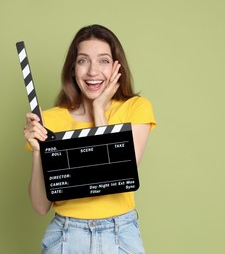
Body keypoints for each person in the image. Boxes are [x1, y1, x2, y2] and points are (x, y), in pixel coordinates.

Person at [23, 24, 156, 253]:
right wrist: (38, 151)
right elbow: (41, 206)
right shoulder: (48, 120)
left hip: (120, 234)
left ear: (117, 67)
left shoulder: (135, 108)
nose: (93, 71)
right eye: (83, 60)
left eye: (103, 61)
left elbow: (118, 173)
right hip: (65, 236)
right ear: (73, 69)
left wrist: (98, 109)